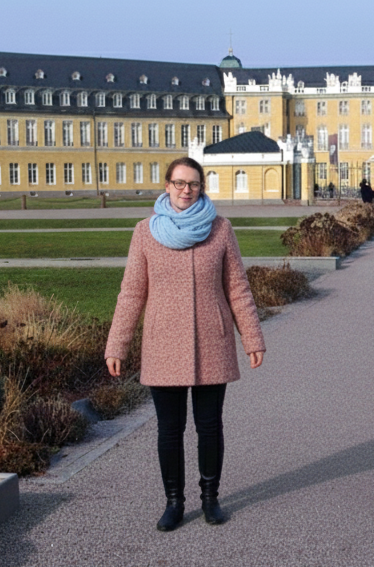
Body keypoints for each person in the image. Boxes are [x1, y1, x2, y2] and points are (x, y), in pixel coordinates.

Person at [105, 157, 265, 532]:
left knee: (209, 427)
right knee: (169, 429)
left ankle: (210, 499)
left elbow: (238, 288)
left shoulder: (220, 229)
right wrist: (117, 344)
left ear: (201, 187)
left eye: (193, 184)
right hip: (162, 343)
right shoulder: (145, 232)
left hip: (212, 340)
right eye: (179, 183)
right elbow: (131, 293)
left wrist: (252, 337)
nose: (186, 190)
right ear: (167, 186)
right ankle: (174, 503)